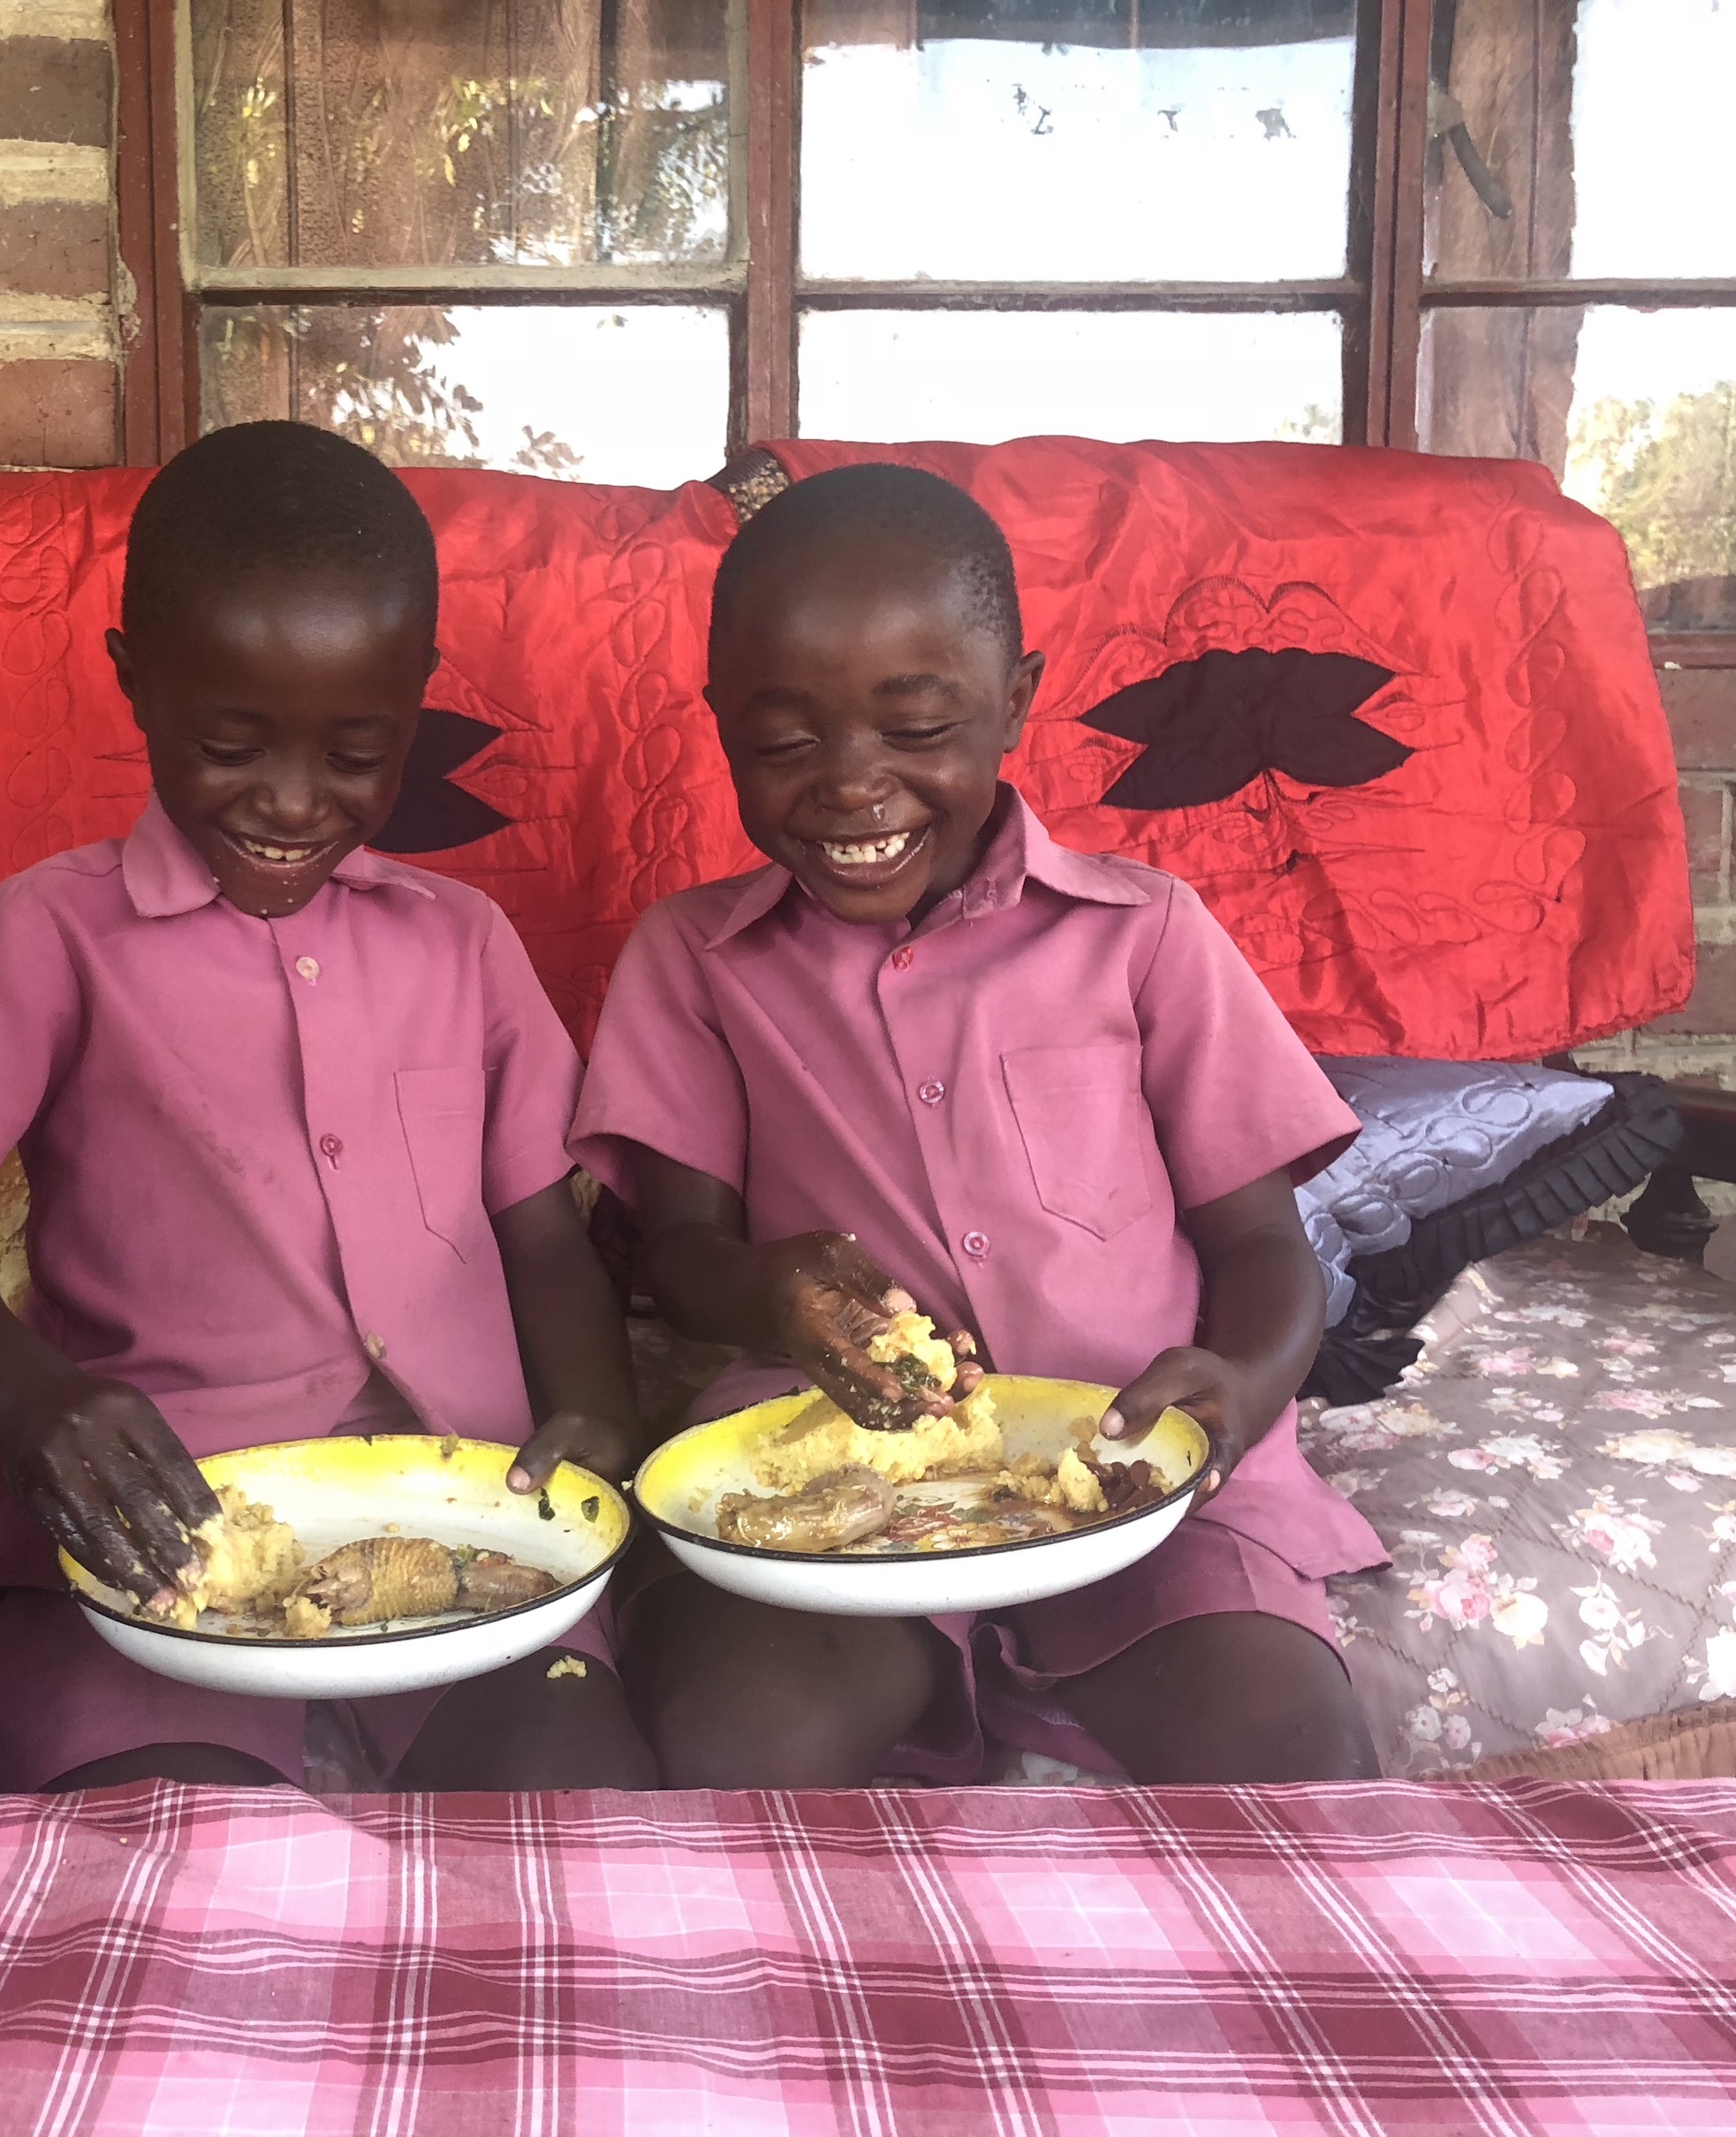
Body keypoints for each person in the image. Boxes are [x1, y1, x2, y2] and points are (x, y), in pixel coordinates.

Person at [0, 421, 656, 1794]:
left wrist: (592, 1421)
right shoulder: (55, 933)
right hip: (155, 1523)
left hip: (473, 1516)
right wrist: (33, 1397)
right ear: (134, 684)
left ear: (416, 700)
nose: (289, 801)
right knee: (155, 1870)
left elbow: (541, 1235)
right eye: (230, 743)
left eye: (355, 751)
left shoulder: (462, 943)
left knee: (575, 1822)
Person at [572, 464, 1389, 1789]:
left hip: (1142, 1474)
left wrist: (1241, 1389)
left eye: (915, 727)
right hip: (831, 1469)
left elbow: (1258, 1242)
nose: (850, 786)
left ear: (1012, 702)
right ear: (718, 724)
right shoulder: (691, 962)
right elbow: (679, 1252)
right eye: (783, 743)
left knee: (1287, 1748)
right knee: (737, 1741)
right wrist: (769, 1289)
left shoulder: (1144, 936)